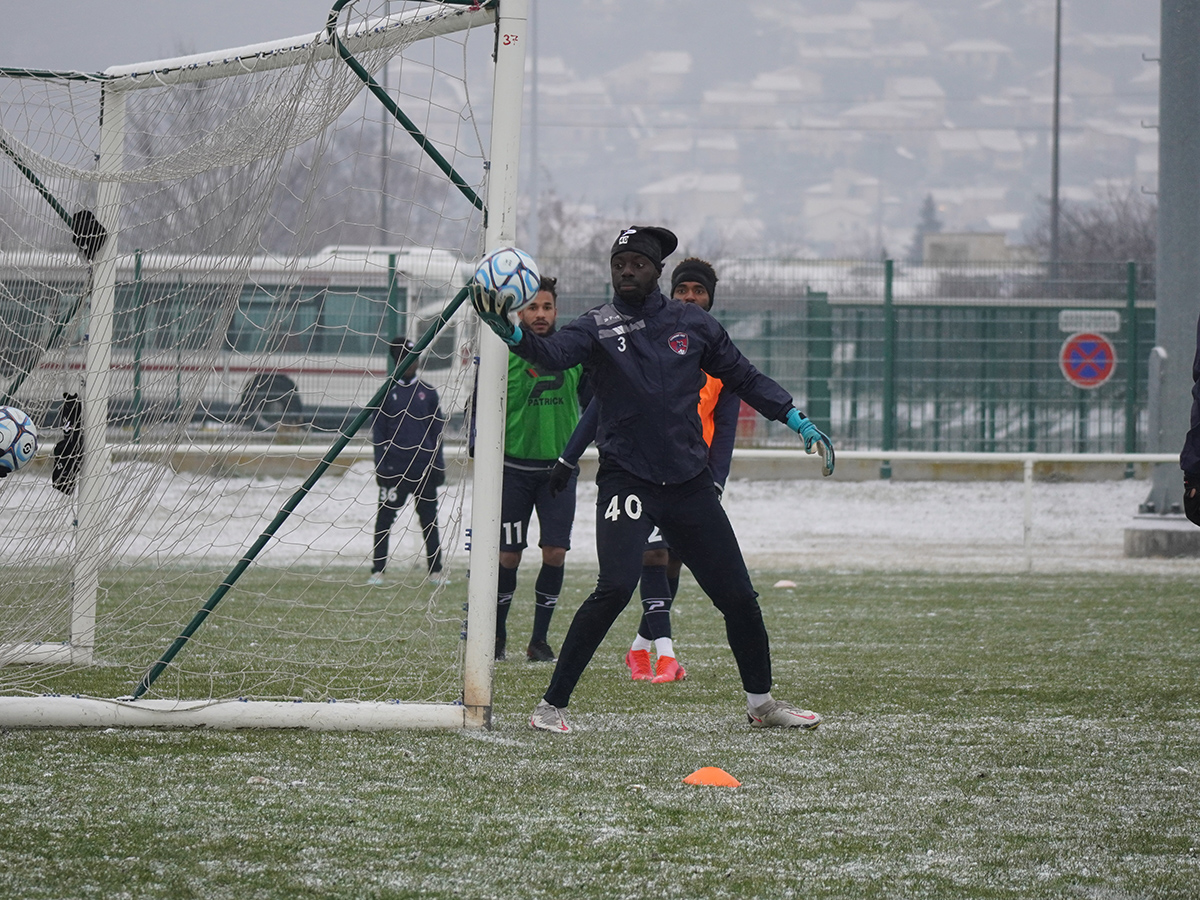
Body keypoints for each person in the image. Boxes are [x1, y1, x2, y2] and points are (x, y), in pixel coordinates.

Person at [470, 225, 835, 733]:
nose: (626, 270)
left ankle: (762, 704)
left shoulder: (692, 324)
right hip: (627, 481)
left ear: (656, 271)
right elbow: (552, 355)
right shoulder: (595, 326)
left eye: (636, 263)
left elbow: (743, 376)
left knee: (739, 598)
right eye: (619, 263)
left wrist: (794, 417)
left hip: (688, 483)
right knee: (614, 588)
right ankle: (550, 707)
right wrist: (511, 332)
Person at [550, 257, 738, 685]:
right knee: (649, 557)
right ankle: (666, 657)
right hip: (641, 472)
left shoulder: (717, 353)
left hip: (691, 479)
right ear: (670, 294)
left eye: (699, 291)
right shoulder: (647, 344)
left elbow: (725, 427)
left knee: (673, 563)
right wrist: (569, 456)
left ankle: (638, 649)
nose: (691, 297)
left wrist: (716, 479)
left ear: (710, 298)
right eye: (683, 290)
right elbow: (600, 404)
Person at [490, 276, 589, 662]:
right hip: (513, 472)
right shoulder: (503, 354)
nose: (541, 314)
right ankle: (496, 636)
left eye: (547, 307)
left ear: (556, 310)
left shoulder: (573, 353)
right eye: (533, 307)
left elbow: (590, 405)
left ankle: (539, 640)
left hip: (558, 474)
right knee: (508, 556)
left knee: (555, 552)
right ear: (519, 311)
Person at [369, 337, 446, 585]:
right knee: (384, 520)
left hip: (423, 469)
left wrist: (439, 465)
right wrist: (381, 466)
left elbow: (437, 432)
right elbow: (379, 434)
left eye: (414, 358)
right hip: (394, 470)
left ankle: (435, 571)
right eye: (404, 358)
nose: (410, 363)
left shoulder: (428, 392)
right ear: (396, 361)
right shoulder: (385, 393)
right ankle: (377, 570)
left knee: (429, 520)